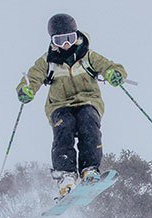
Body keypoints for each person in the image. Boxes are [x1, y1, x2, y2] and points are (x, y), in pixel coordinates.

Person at [16, 13, 127, 198]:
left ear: (77, 36)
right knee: (63, 126)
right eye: (60, 40)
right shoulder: (47, 61)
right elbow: (32, 77)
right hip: (59, 104)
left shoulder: (88, 55)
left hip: (88, 100)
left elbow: (110, 66)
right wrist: (26, 90)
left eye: (70, 38)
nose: (66, 44)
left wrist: (114, 74)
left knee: (88, 121)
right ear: (52, 41)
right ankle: (66, 175)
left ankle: (89, 169)